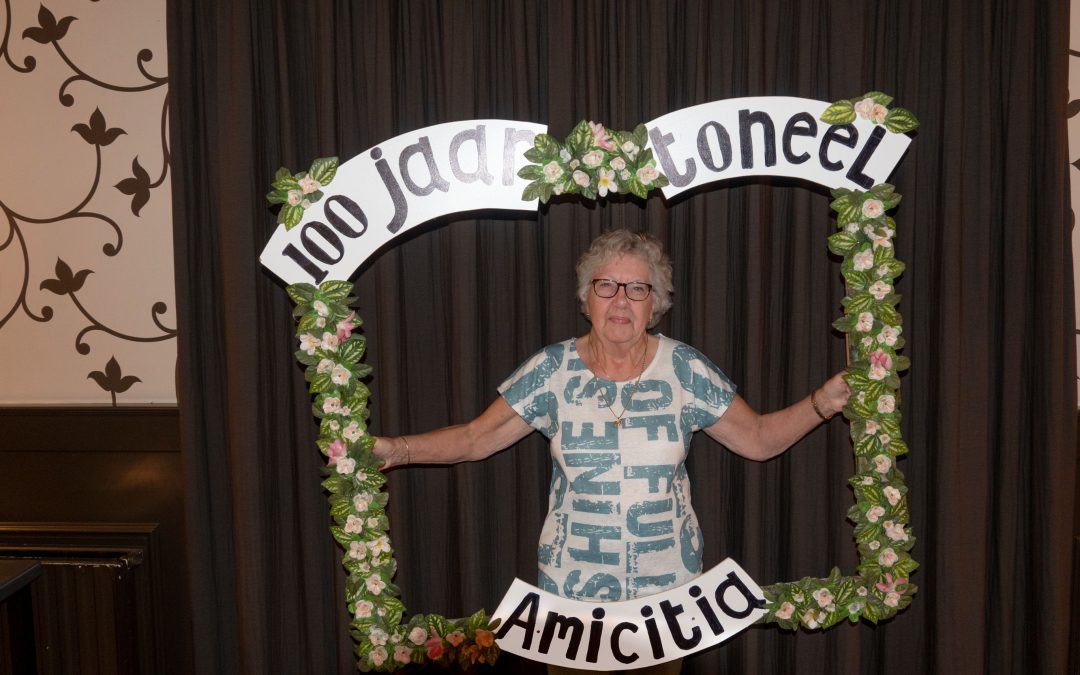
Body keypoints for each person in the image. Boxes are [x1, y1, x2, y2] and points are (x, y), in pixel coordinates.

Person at [373, 230, 850, 675]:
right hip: (569, 609)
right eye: (607, 286)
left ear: (655, 303)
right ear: (587, 298)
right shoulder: (552, 370)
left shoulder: (684, 368)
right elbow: (476, 438)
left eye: (637, 289)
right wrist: (399, 449)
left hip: (668, 607)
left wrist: (822, 404)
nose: (621, 300)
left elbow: (759, 439)